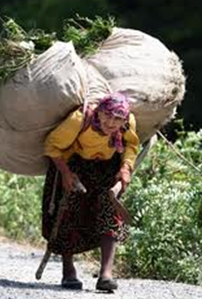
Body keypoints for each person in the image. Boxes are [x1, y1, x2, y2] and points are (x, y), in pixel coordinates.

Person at [42, 92, 140, 291]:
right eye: (108, 116)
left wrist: (125, 167)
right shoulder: (80, 119)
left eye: (117, 119)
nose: (112, 123)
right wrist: (66, 174)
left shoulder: (128, 122)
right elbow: (51, 145)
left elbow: (131, 144)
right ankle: (68, 271)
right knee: (67, 213)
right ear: (99, 112)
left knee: (110, 211)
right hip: (73, 164)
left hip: (106, 167)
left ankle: (106, 275)